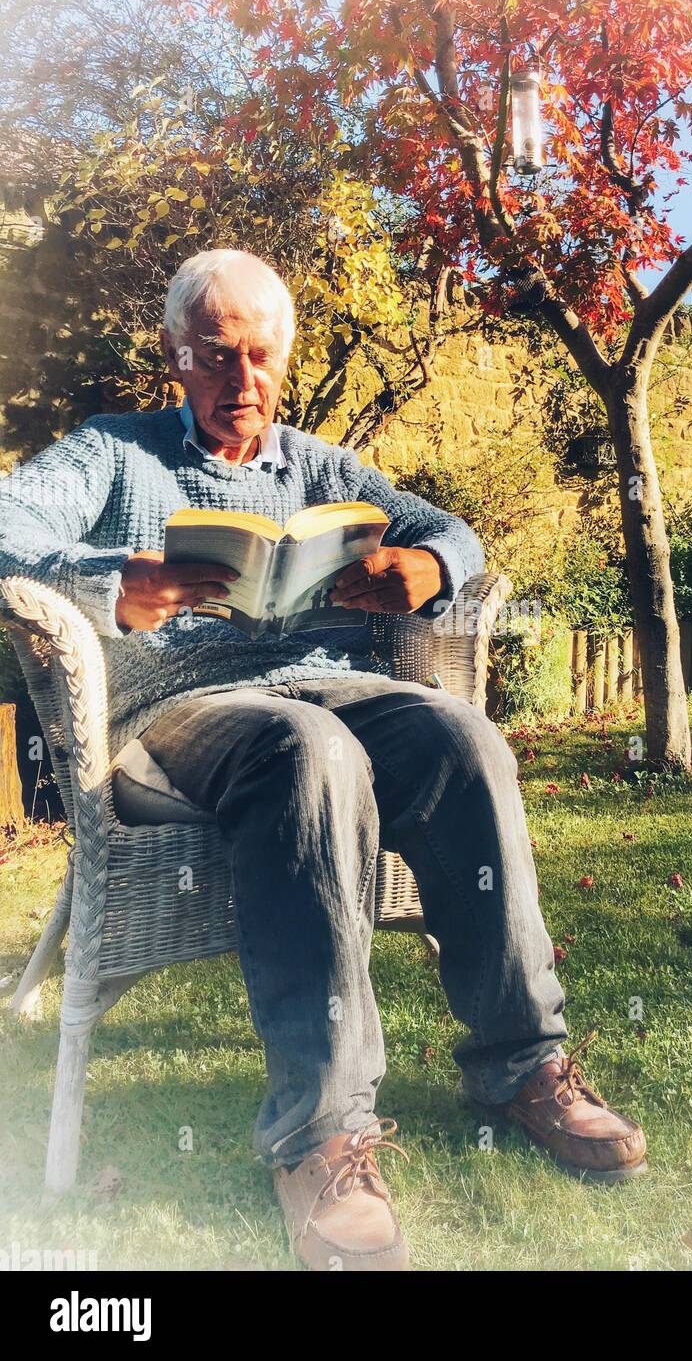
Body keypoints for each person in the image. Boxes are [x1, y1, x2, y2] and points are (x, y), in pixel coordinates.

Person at [0, 249, 646, 1271]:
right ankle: (322, 1135)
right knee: (310, 750)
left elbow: (450, 531)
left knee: (462, 737)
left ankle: (521, 1062)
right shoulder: (111, 455)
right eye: (216, 357)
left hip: (332, 684)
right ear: (178, 357)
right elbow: (5, 522)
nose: (240, 382)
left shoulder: (322, 467)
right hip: (182, 707)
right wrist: (112, 577)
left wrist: (425, 565)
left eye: (259, 359)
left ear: (284, 361)